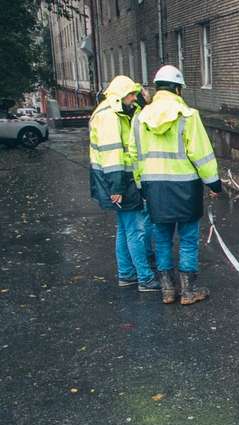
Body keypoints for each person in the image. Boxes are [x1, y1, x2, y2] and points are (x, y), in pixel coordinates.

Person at [128, 65, 222, 305]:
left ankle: (168, 290)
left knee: (161, 238)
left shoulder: (139, 119)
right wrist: (213, 182)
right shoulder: (188, 116)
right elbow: (201, 153)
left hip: (154, 188)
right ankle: (189, 290)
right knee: (189, 238)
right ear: (178, 89)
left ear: (157, 88)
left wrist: (141, 185)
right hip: (186, 188)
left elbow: (134, 155)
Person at [89, 75, 161, 292]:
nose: (133, 98)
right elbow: (112, 155)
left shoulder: (114, 111)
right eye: (131, 94)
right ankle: (145, 279)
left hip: (117, 180)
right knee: (136, 230)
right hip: (119, 180)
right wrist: (117, 188)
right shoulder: (109, 116)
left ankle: (126, 274)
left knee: (125, 228)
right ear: (121, 94)